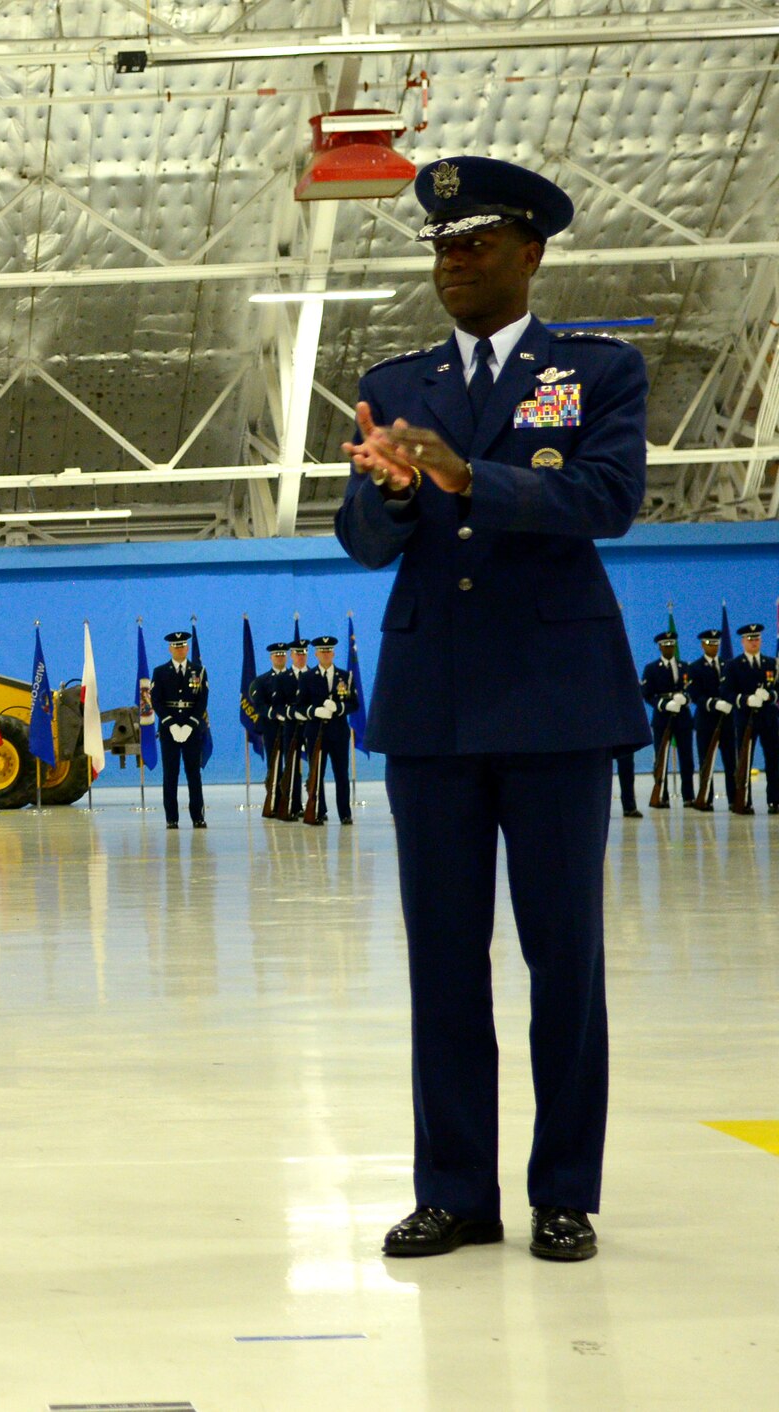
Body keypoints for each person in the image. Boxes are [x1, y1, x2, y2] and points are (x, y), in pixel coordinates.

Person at [337, 157, 649, 1264]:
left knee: (562, 957)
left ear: (530, 253)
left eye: (473, 243)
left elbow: (606, 500)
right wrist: (386, 493)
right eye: (438, 246)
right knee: (441, 959)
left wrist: (470, 478)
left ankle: (562, 1187)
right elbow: (359, 540)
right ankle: (455, 1189)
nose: (451, 261)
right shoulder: (397, 376)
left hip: (555, 704)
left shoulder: (595, 370)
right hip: (430, 709)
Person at [151, 631, 208, 830]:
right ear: (170, 648)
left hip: (191, 730)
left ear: (187, 647)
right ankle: (171, 818)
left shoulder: (198, 671)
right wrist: (171, 724)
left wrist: (191, 724)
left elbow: (202, 700)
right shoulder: (160, 672)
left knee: (194, 774)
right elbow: (156, 700)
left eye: (183, 645)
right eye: (176, 646)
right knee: (170, 774)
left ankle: (197, 817)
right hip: (170, 730)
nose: (180, 649)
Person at [296, 635, 355, 827]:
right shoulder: (307, 677)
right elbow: (300, 707)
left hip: (339, 733)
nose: (326, 654)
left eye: (329, 650)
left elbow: (354, 704)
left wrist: (339, 708)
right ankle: (319, 811)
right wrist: (315, 711)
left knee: (341, 775)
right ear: (316, 654)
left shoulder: (345, 676)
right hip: (315, 733)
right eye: (322, 651)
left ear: (333, 653)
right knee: (316, 774)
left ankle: (345, 813)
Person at [638, 630, 695, 808]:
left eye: (671, 645)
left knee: (687, 758)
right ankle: (661, 795)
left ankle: (689, 796)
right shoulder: (652, 668)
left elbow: (692, 689)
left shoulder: (685, 666)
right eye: (665, 645)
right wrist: (663, 704)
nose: (669, 648)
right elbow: (646, 694)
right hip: (662, 717)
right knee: (661, 757)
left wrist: (685, 699)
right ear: (660, 647)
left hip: (682, 717)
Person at [726, 623, 778, 815]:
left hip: (769, 719)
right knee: (744, 760)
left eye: (756, 639)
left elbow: (777, 689)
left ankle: (775, 800)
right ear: (743, 642)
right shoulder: (734, 665)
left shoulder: (771, 663)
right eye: (750, 639)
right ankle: (744, 800)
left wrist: (770, 696)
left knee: (774, 760)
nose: (754, 642)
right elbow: (727, 692)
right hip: (745, 719)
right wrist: (746, 699)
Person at [686, 628, 735, 811]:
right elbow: (694, 694)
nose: (713, 647)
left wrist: (730, 701)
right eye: (709, 643)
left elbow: (732, 687)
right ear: (702, 645)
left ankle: (733, 800)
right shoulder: (695, 667)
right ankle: (705, 798)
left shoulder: (727, 665)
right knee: (706, 762)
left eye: (716, 643)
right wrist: (713, 703)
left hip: (727, 720)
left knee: (732, 762)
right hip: (706, 721)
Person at [250, 642, 291, 818]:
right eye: (277, 655)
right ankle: (273, 802)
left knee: (292, 766)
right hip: (271, 729)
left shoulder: (295, 678)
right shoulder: (261, 681)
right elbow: (258, 706)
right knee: (273, 767)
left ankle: (291, 804)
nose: (280, 657)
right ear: (271, 657)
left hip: (291, 728)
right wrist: (274, 714)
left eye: (283, 654)